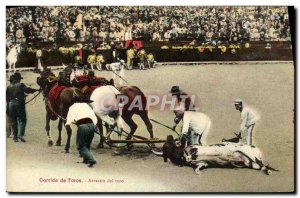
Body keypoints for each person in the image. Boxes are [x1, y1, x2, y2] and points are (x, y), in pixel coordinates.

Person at [6, 73, 39, 142]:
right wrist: (35, 90)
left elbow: (7, 98)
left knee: (14, 121)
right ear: (18, 79)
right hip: (19, 103)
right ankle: (20, 135)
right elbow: (27, 90)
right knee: (22, 119)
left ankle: (15, 137)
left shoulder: (9, 87)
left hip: (10, 104)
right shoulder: (21, 85)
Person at [65, 102, 97, 167]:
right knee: (87, 145)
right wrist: (94, 126)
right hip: (92, 125)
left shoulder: (73, 106)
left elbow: (70, 117)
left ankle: (91, 159)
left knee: (81, 146)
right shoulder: (87, 106)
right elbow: (94, 117)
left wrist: (67, 124)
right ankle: (86, 160)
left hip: (83, 127)